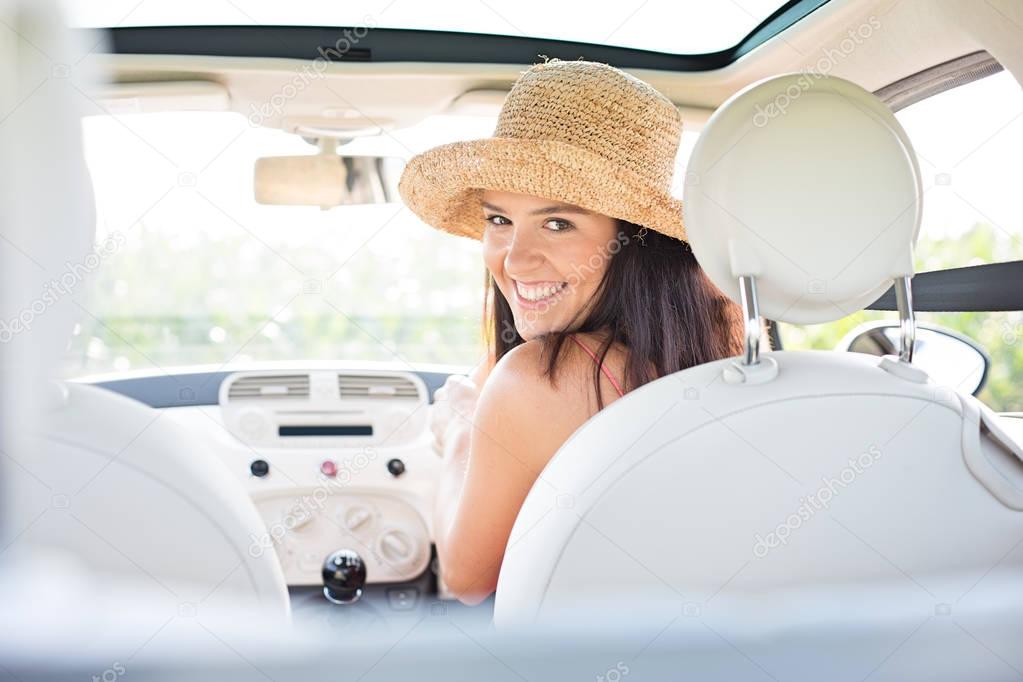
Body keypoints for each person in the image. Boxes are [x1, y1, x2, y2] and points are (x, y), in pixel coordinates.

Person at [397, 58, 746, 605]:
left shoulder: (536, 382)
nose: (515, 258)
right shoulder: (723, 328)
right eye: (499, 220)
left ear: (635, 238)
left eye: (558, 223)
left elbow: (466, 580)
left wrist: (461, 427)